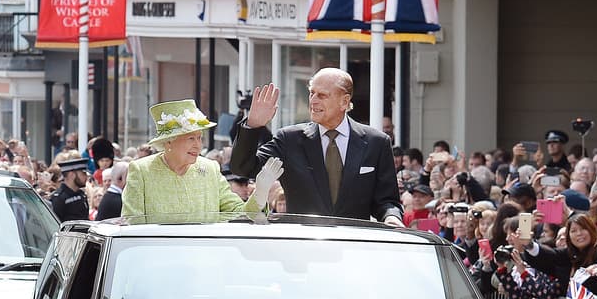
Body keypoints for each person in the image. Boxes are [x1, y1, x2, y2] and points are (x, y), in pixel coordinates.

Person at [231, 69, 403, 224]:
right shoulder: (289, 140)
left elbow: (387, 200)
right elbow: (243, 167)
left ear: (344, 101)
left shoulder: (377, 143)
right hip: (304, 248)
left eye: (322, 95)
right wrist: (253, 125)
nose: (313, 100)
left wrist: (392, 217)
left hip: (353, 247)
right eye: (311, 93)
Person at [123, 100, 278, 221]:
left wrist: (261, 192)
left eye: (200, 138)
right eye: (191, 138)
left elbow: (242, 216)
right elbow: (131, 228)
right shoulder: (141, 171)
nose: (198, 145)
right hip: (157, 258)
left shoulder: (210, 169)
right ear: (169, 141)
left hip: (204, 259)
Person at [51, 155, 91, 222]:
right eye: (83, 174)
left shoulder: (81, 194)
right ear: (71, 175)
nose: (86, 177)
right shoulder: (59, 198)